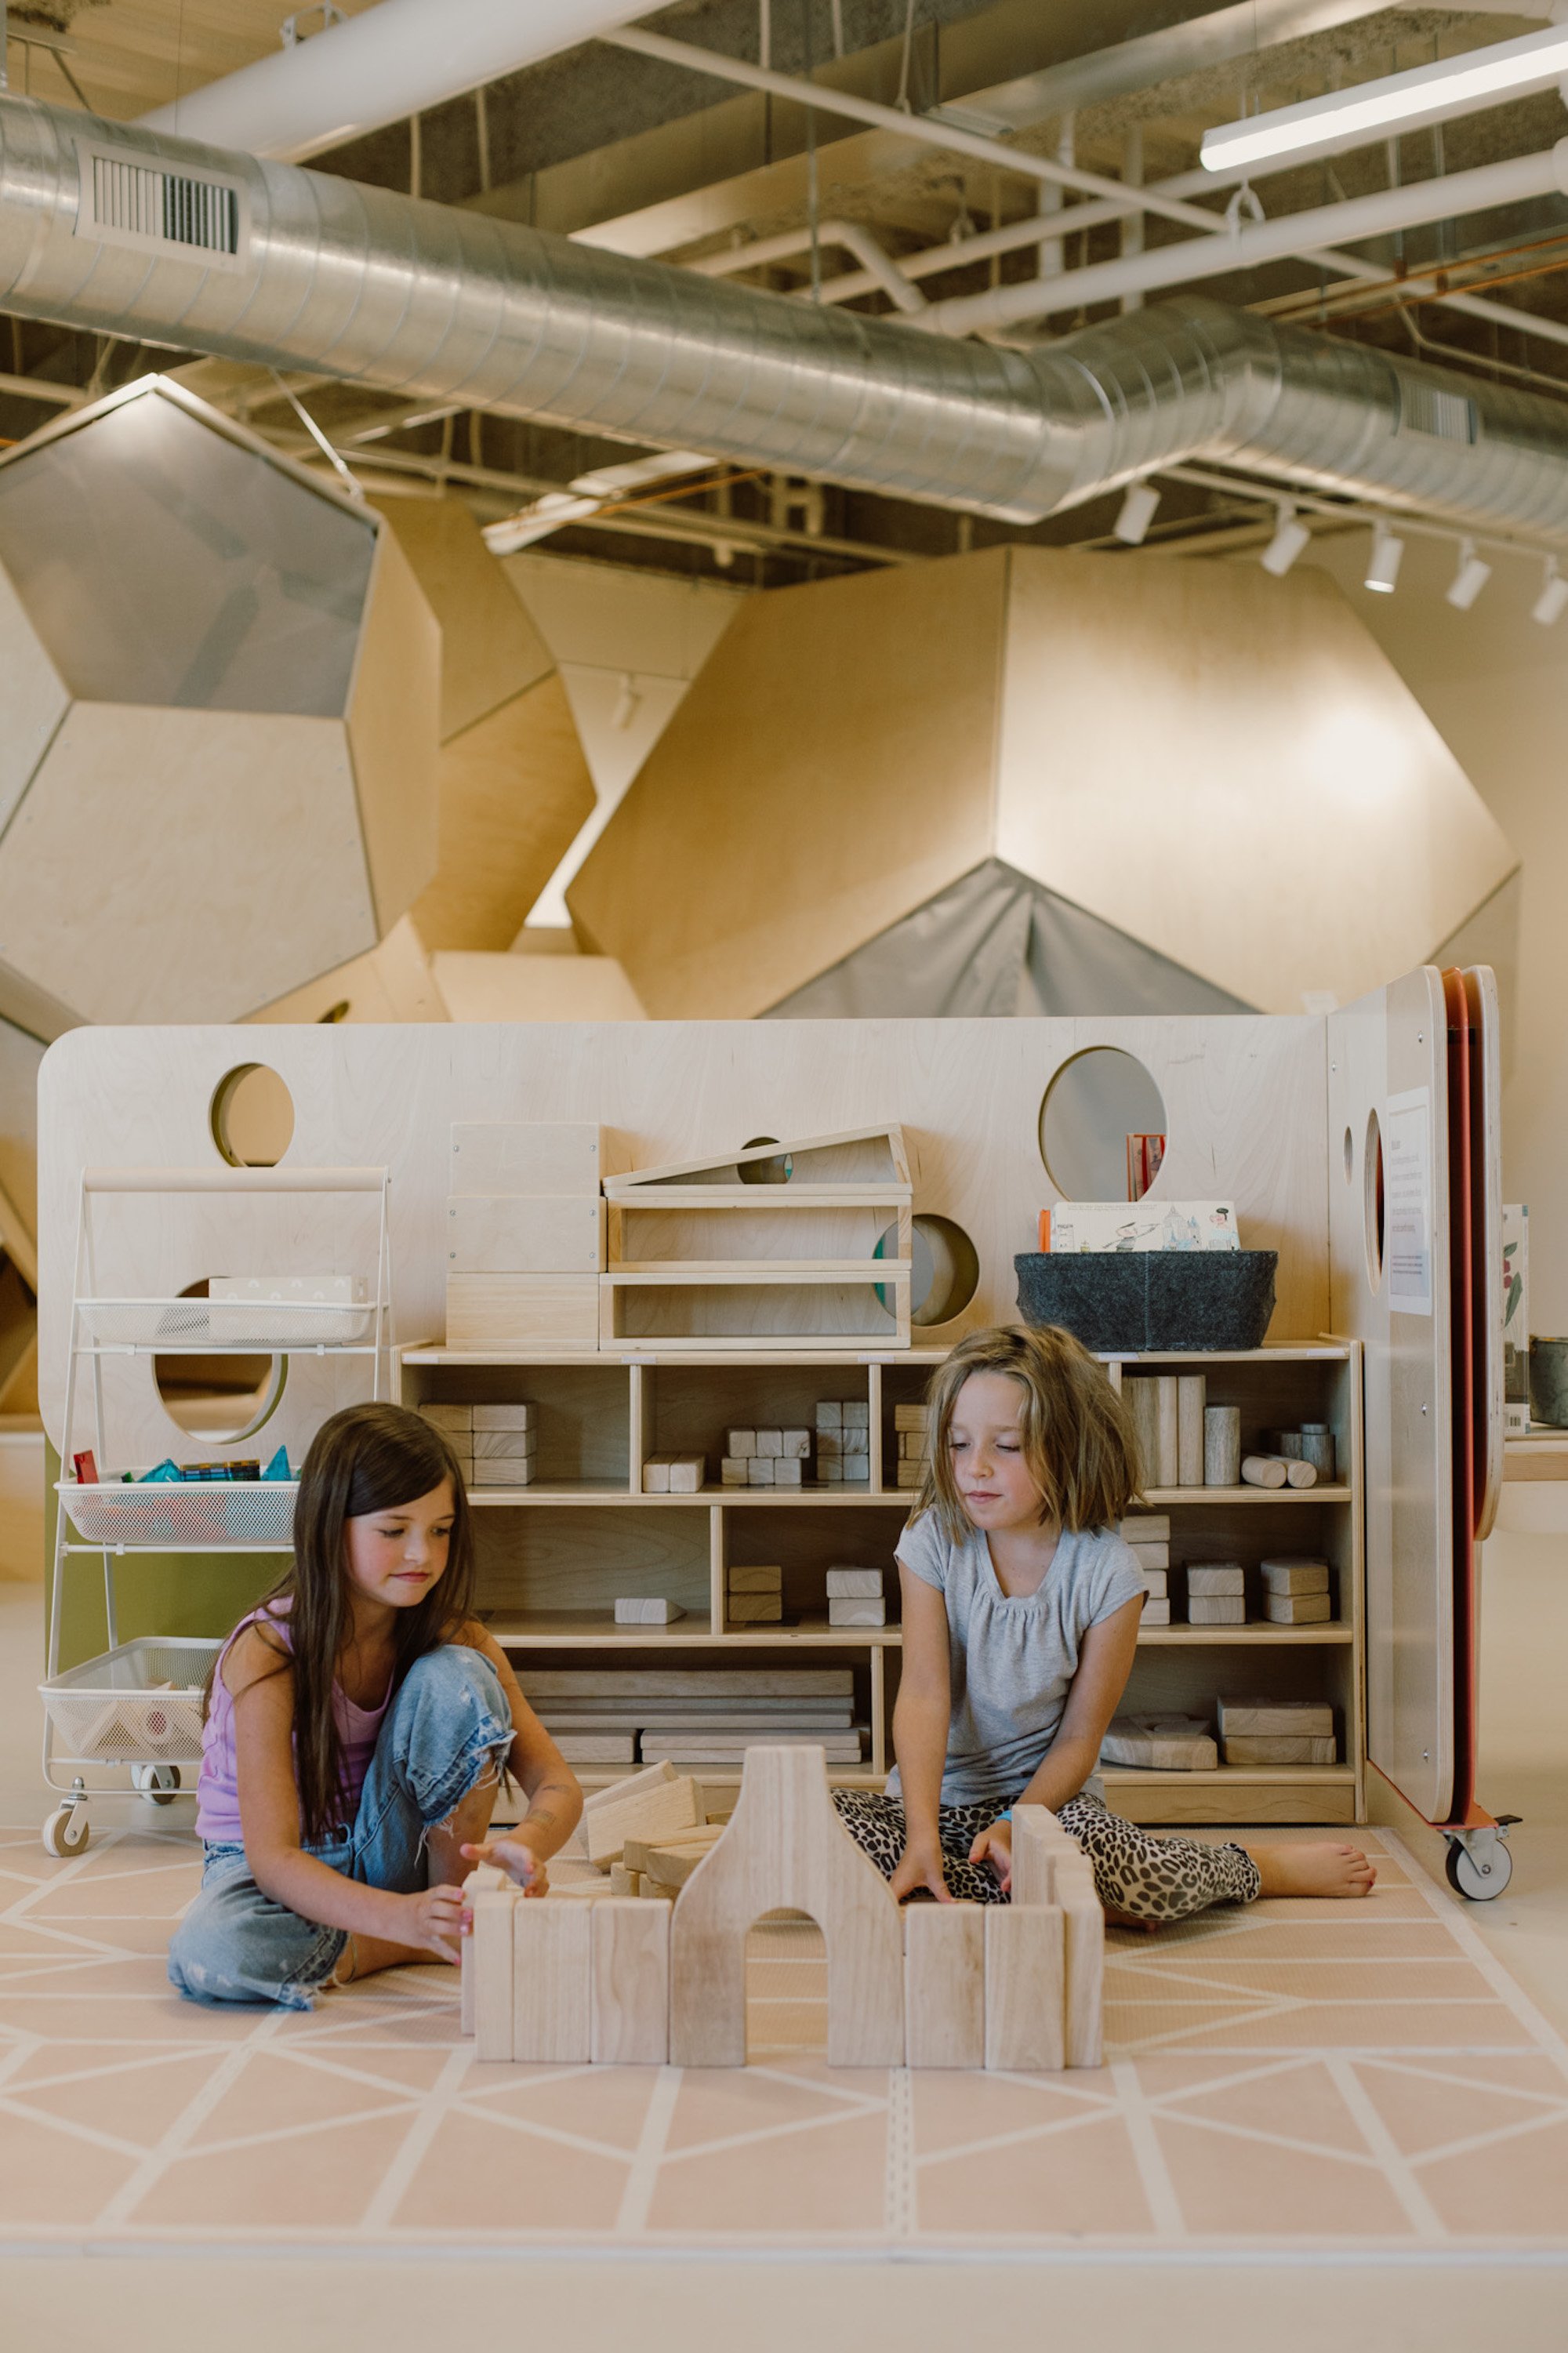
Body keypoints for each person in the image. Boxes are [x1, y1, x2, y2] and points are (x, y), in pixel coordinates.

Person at [833, 1326, 1377, 1919]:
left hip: (1048, 1808)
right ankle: (1045, 1894)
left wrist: (1018, 1823)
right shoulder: (931, 1538)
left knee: (1126, 1864)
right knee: (818, 1828)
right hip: (933, 1802)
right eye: (958, 1443)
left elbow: (1078, 1742)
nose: (975, 1468)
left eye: (1007, 1446)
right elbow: (923, 1692)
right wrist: (920, 1833)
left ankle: (1253, 1868)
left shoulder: (1108, 1572)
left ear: (1068, 1446)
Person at [168, 1402, 579, 2008]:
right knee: (213, 1947)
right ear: (330, 1527)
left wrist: (527, 1842)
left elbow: (557, 1782)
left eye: (440, 1530)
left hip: (389, 1854)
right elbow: (274, 1859)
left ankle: (444, 1908)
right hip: (273, 1874)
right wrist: (400, 1922)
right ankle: (428, 1934)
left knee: (461, 1675)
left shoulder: (455, 1635)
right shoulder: (267, 1652)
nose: (424, 1554)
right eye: (394, 1530)